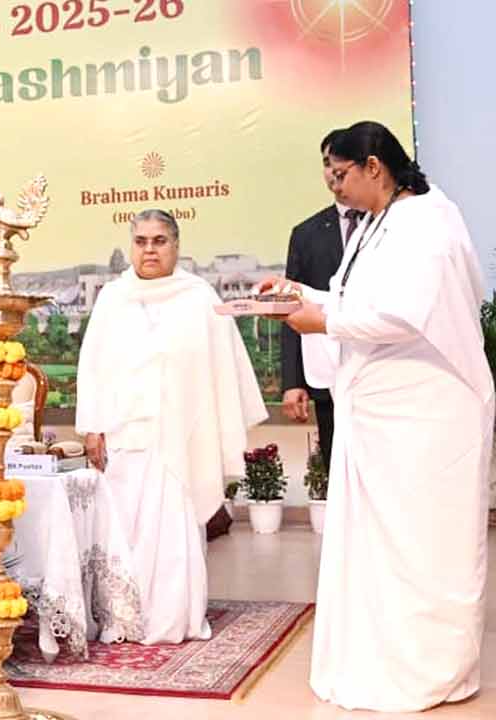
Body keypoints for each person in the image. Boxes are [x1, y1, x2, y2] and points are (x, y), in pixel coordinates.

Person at [264, 121, 492, 712]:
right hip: (380, 418)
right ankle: (378, 659)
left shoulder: (428, 222)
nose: (333, 184)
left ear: (374, 166)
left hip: (425, 416)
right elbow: (355, 301)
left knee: (420, 545)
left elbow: (403, 315)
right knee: (379, 547)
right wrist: (299, 295)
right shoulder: (379, 222)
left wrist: (323, 320)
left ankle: (429, 671)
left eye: (341, 173)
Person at [76, 209, 266, 645]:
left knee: (173, 531)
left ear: (176, 246)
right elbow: (93, 367)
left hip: (181, 436)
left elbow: (223, 369)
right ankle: (123, 619)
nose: (149, 250)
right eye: (141, 241)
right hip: (124, 435)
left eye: (159, 241)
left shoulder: (198, 297)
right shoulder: (113, 298)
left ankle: (173, 618)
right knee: (123, 528)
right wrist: (91, 427)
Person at [279, 129, 361, 470]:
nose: (333, 172)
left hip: (381, 373)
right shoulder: (306, 234)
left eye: (340, 163)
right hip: (328, 376)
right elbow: (290, 307)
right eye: (327, 163)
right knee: (338, 473)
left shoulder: (387, 224)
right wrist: (293, 383)